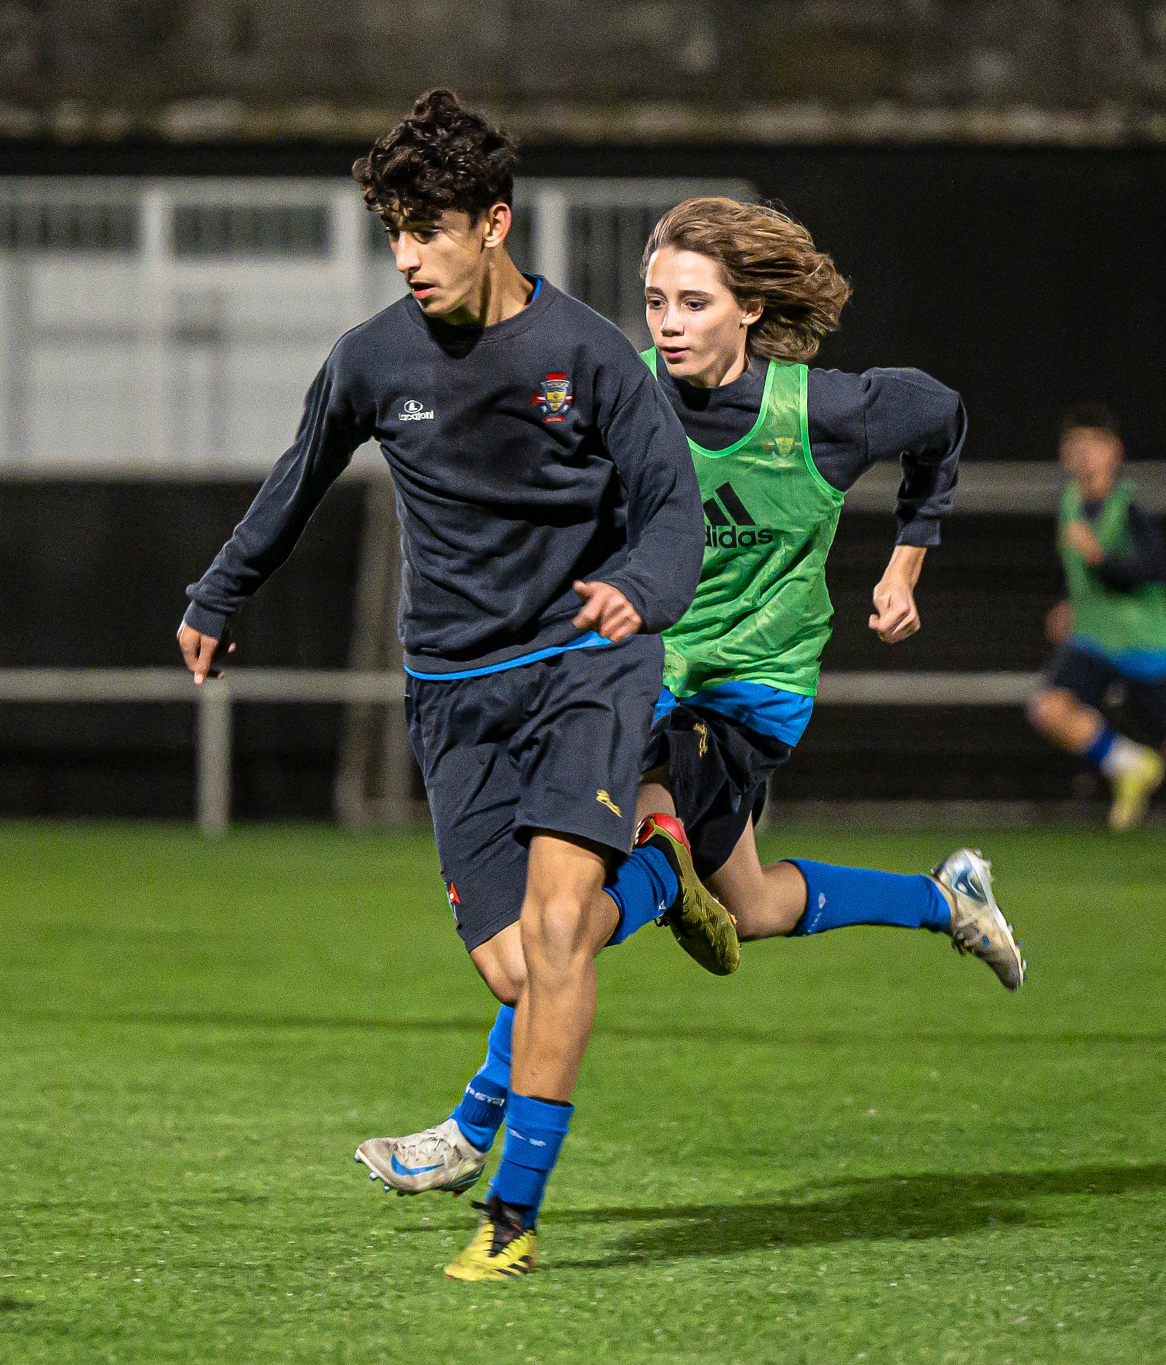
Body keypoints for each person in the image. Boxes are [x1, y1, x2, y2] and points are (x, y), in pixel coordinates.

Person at [355, 198, 1025, 1217]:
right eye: (654, 300)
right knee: (750, 908)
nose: (665, 322)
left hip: (742, 700)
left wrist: (907, 560)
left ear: (750, 308)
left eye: (693, 302)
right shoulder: (621, 396)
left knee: (580, 902)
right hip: (637, 680)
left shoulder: (829, 413)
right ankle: (948, 899)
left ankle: (468, 1131)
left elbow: (941, 419)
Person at [177, 91, 734, 1282]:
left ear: (493, 221)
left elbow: (674, 515)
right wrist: (218, 596)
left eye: (425, 229)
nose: (405, 256)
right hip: (450, 692)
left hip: (583, 664)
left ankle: (513, 1220)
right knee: (518, 968)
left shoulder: (586, 356)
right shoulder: (371, 358)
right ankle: (654, 874)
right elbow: (297, 476)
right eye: (392, 231)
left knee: (550, 938)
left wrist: (640, 588)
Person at [1026, 403, 1166, 882]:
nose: (1086, 456)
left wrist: (1101, 560)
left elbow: (1153, 569)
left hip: (1148, 647)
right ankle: (1128, 764)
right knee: (1048, 707)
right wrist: (1072, 606)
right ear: (1065, 455)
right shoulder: (1069, 502)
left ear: (1115, 452)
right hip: (1094, 641)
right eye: (1077, 446)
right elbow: (1083, 576)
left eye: (1096, 446)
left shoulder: (1128, 508)